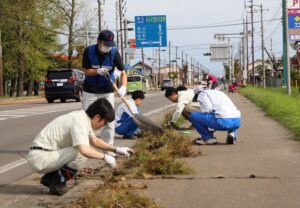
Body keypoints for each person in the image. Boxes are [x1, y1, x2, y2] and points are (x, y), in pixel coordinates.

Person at [27, 98, 133, 196]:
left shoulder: (83, 118)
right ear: (97, 117)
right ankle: (56, 183)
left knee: (81, 150)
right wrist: (105, 157)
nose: (104, 126)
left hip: (45, 154)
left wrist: (117, 149)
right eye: (105, 122)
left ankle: (50, 179)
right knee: (80, 153)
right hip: (40, 157)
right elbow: (84, 150)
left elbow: (94, 141)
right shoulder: (80, 122)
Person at [82, 29, 127, 146]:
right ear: (99, 42)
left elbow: (123, 72)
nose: (108, 47)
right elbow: (86, 71)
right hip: (90, 90)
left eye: (110, 45)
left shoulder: (114, 53)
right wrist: (97, 71)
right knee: (87, 118)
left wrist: (124, 86)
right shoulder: (88, 51)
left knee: (109, 119)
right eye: (106, 44)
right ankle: (85, 146)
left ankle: (108, 147)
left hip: (107, 89)